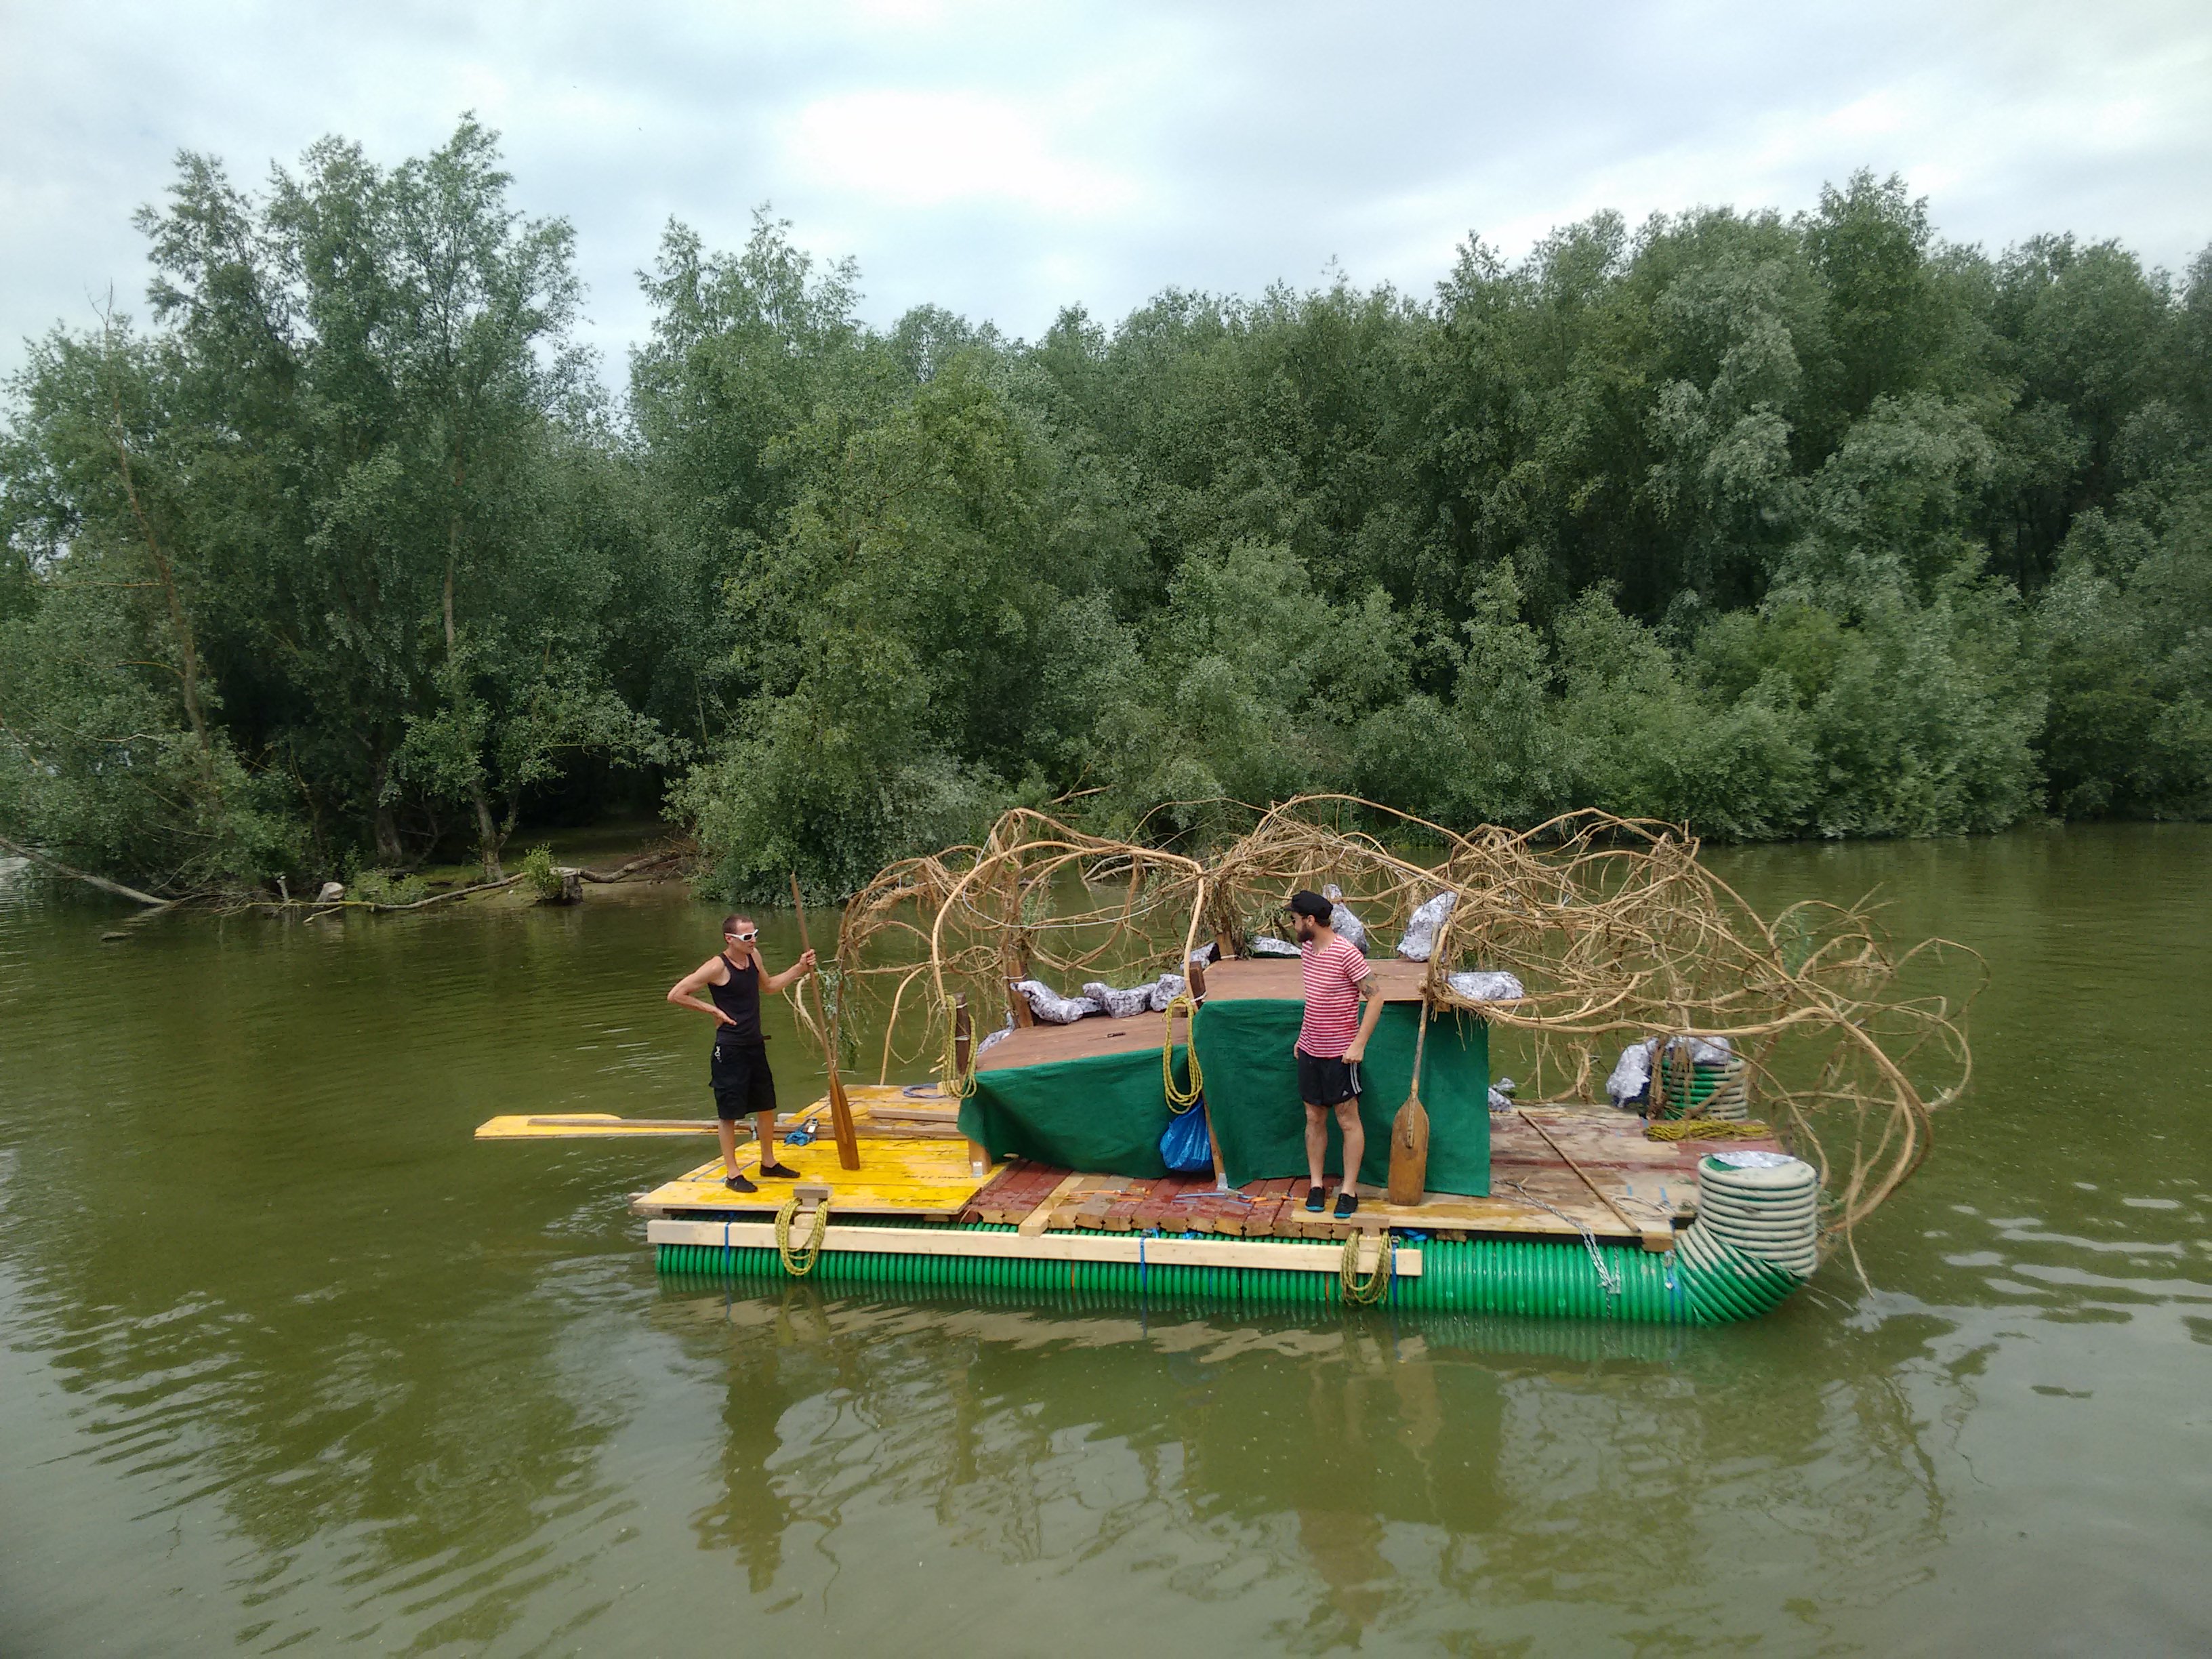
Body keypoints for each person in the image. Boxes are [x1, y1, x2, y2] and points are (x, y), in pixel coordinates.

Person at [667, 915, 818, 1191]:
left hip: (755, 1043)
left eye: (755, 935)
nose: (754, 941)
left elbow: (769, 987)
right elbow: (677, 994)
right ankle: (733, 1173)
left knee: (766, 1106)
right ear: (730, 939)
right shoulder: (716, 966)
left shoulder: (754, 958)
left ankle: (768, 1163)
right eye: (747, 937)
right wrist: (713, 1010)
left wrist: (799, 968)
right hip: (730, 1048)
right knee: (729, 1113)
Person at [1289, 888, 1384, 1218]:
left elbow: (1376, 998)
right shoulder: (1307, 952)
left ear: (1310, 920)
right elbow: (1313, 999)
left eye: (1295, 920)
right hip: (1311, 1051)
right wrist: (1303, 1038)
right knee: (1314, 1118)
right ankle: (1317, 1185)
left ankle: (1349, 1190)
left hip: (1341, 1057)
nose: (1293, 925)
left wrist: (1358, 1045)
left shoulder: (1347, 953)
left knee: (1347, 1120)